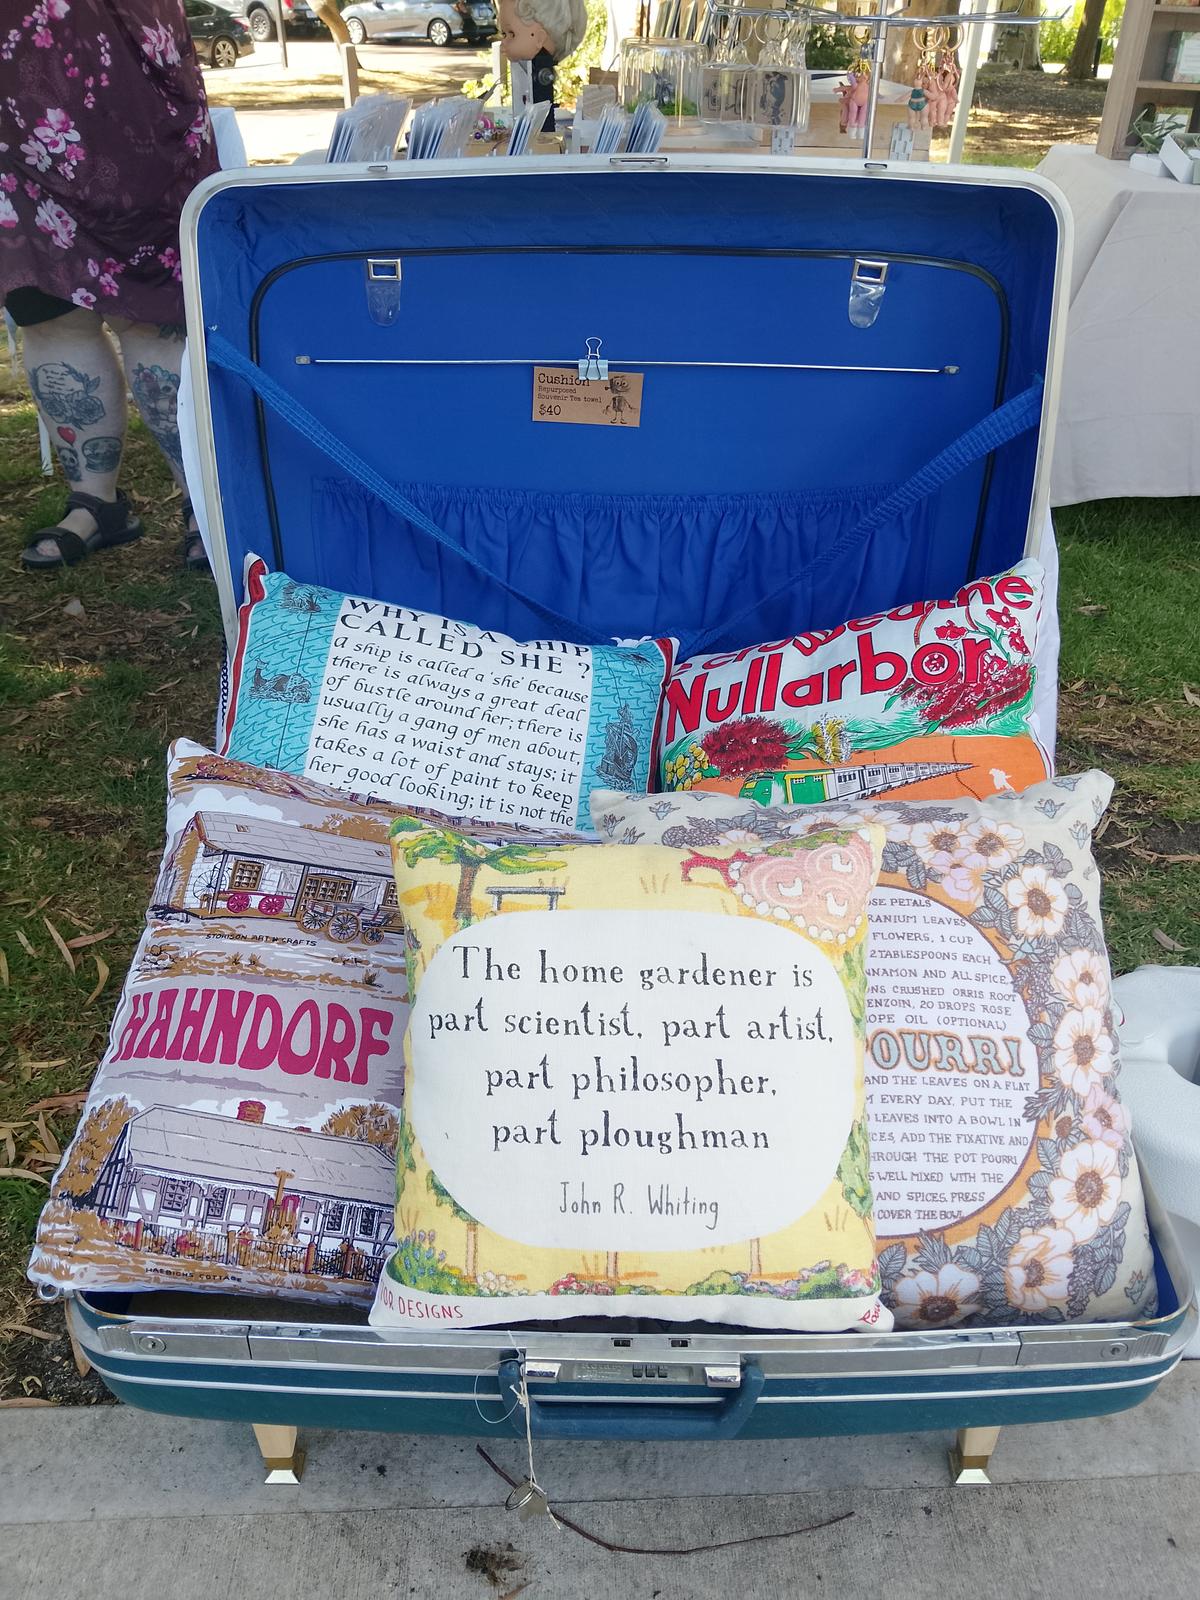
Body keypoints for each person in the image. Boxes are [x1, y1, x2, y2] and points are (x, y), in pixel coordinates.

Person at [0, 1, 221, 572]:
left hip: (115, 66)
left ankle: (205, 501)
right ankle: (97, 503)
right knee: (45, 307)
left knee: (156, 306)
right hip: (10, 93)